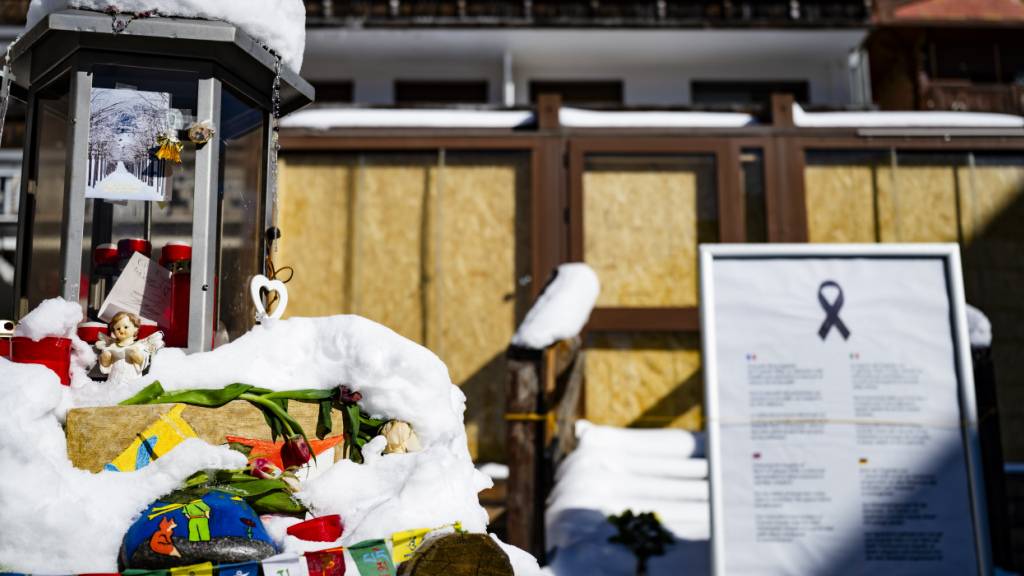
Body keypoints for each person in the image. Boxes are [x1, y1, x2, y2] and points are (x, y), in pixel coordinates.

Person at [95, 311, 163, 385]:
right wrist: (106, 358)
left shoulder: (138, 345)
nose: (121, 330)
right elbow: (105, 365)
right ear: (114, 332)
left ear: (135, 328)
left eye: (126, 327)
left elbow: (142, 362)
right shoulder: (112, 346)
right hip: (114, 380)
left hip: (132, 381)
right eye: (118, 328)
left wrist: (136, 355)